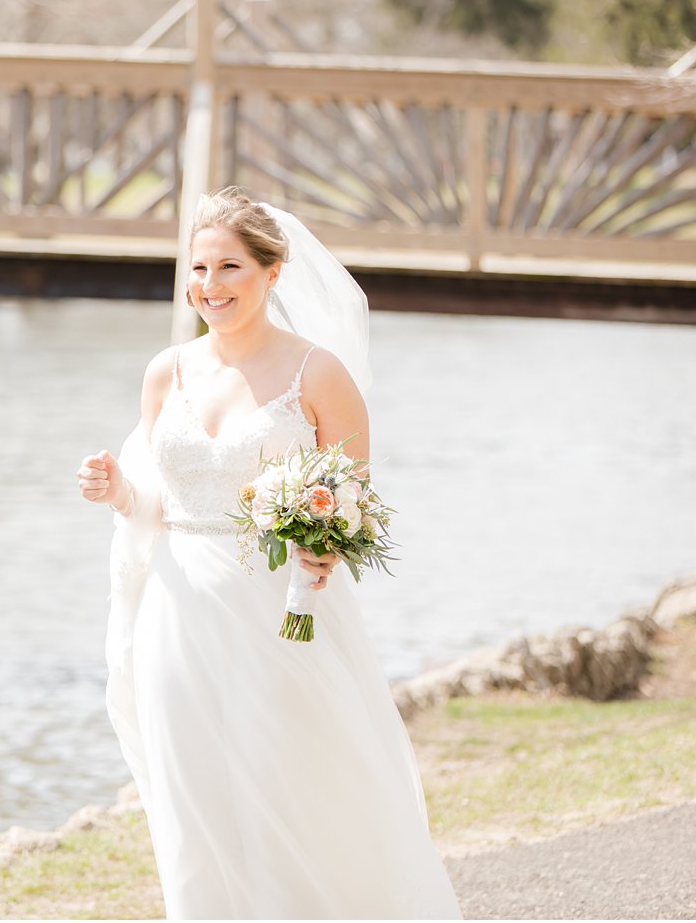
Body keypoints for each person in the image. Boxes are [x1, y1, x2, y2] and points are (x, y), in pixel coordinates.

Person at [76, 187, 461, 919]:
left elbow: (354, 506)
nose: (210, 287)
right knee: (194, 795)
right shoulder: (168, 372)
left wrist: (326, 554)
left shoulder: (318, 375)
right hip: (178, 611)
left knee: (290, 788)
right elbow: (157, 504)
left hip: (280, 615)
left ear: (272, 273)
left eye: (229, 269)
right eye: (198, 269)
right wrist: (115, 487)